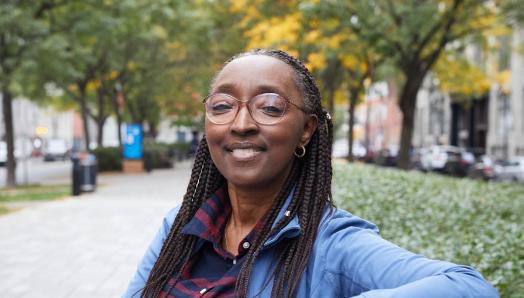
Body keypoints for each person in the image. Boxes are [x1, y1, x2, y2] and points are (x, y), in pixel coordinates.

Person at [124, 49, 498, 298]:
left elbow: (469, 287)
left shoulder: (331, 244)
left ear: (306, 129)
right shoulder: (181, 228)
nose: (241, 124)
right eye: (222, 105)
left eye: (270, 107)